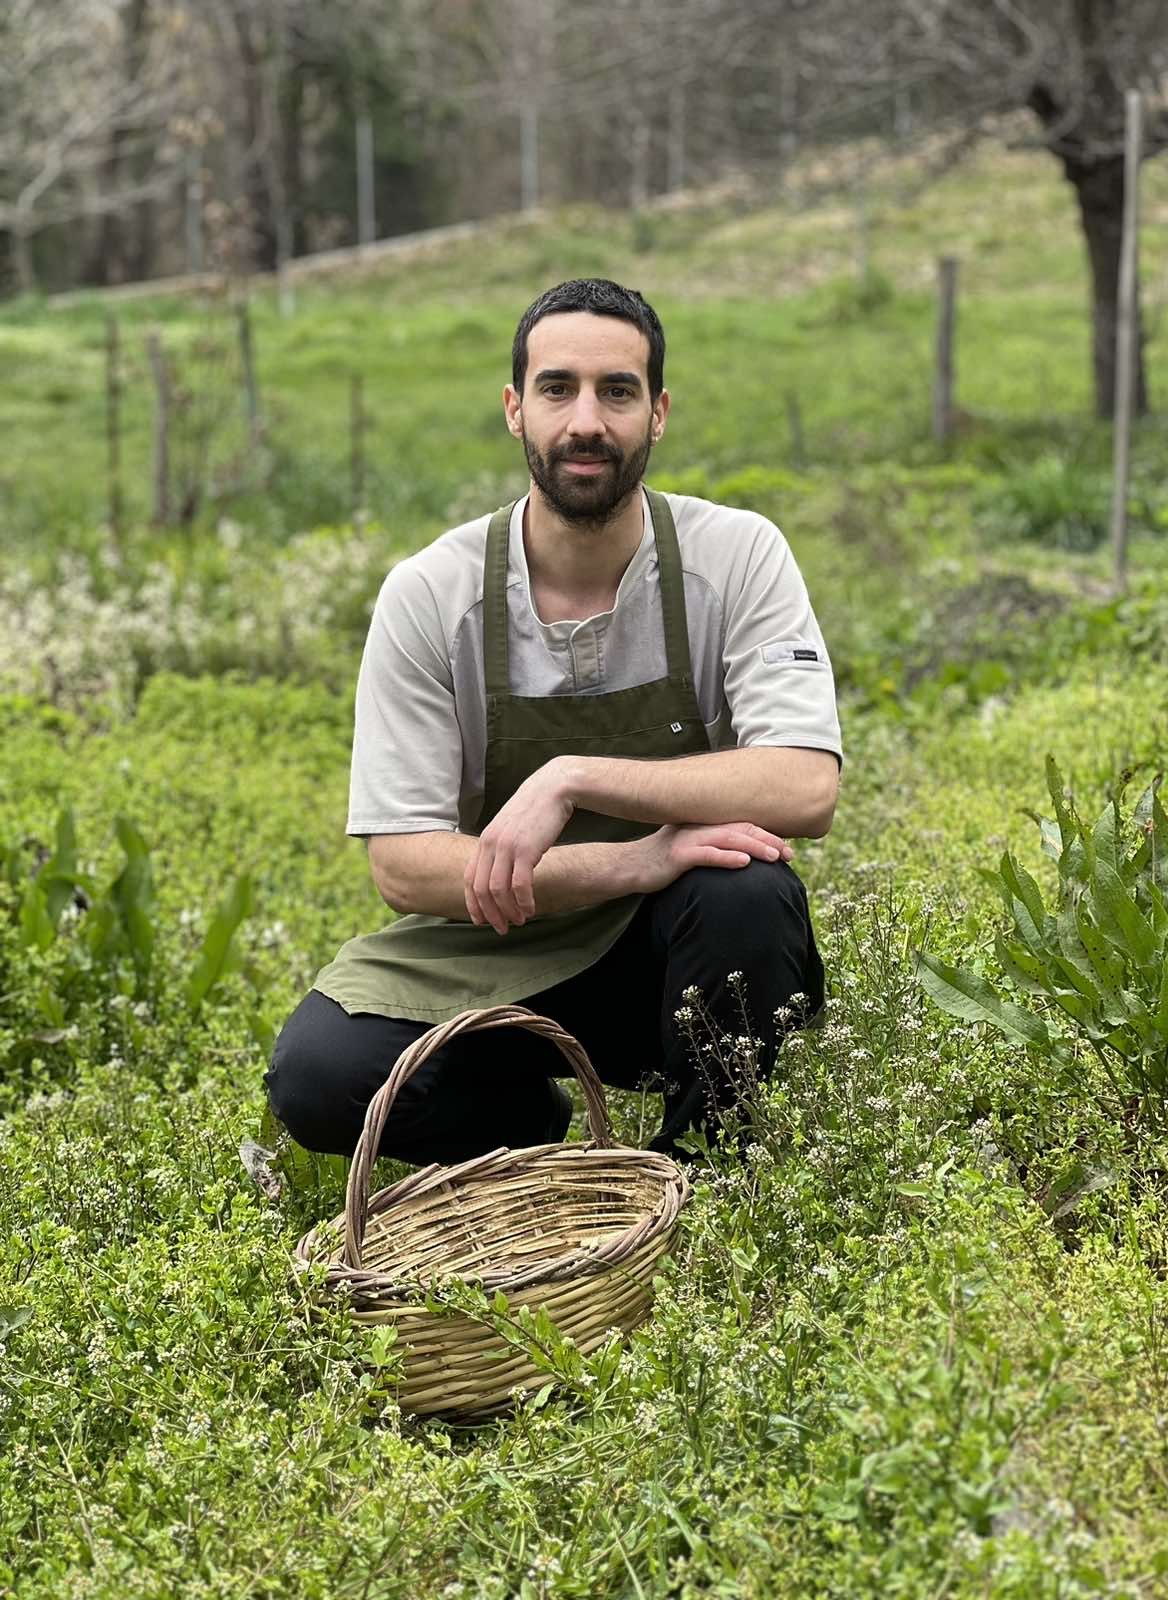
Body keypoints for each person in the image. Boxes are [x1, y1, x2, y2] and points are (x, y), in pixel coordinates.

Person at [266, 277, 842, 1165]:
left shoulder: (736, 556)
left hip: (670, 950)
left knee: (748, 895)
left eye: (618, 391)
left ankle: (710, 1177)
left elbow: (805, 783)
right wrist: (634, 856)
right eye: (556, 388)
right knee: (319, 1075)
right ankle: (526, 1130)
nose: (586, 421)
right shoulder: (432, 593)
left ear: (658, 414)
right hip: (493, 946)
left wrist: (572, 775)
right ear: (514, 409)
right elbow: (406, 867)